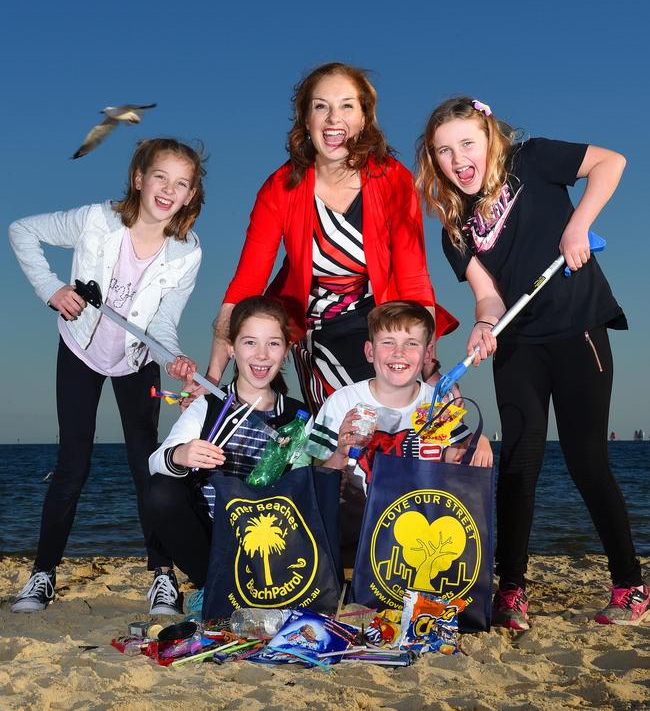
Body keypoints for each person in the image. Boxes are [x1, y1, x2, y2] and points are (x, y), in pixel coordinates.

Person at [415, 95, 648, 629]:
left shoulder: (532, 159)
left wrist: (577, 226)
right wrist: (481, 324)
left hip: (576, 330)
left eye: (467, 143)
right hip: (518, 344)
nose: (458, 159)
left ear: (490, 138)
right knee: (518, 463)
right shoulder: (455, 223)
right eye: (444, 151)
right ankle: (511, 591)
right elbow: (490, 297)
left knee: (586, 459)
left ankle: (630, 587)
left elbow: (611, 162)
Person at [8, 138, 206, 615]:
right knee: (73, 464)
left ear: (189, 196)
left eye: (181, 184)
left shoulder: (187, 252)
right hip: (79, 349)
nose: (168, 190)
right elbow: (21, 230)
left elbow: (161, 323)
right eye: (161, 177)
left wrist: (174, 356)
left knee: (147, 467)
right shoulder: (95, 220)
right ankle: (43, 574)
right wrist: (51, 289)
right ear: (139, 178)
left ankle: (162, 577)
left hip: (137, 361)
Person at [194, 62, 457, 415]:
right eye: (321, 106)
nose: (334, 118)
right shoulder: (279, 188)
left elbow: (413, 278)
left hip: (380, 321)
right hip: (316, 328)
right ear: (306, 119)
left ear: (365, 118)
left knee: (399, 419)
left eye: (347, 105)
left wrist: (428, 363)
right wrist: (211, 375)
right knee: (342, 423)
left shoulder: (394, 180)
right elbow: (246, 284)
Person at [306, 301, 492, 563]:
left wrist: (478, 441)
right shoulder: (342, 402)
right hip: (353, 537)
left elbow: (454, 461)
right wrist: (340, 452)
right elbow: (314, 481)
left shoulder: (436, 403)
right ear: (370, 351)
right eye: (388, 342)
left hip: (417, 538)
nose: (399, 353)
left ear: (428, 355)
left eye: (411, 343)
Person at [147, 296, 309, 596]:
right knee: (161, 490)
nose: (261, 355)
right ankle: (213, 584)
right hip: (213, 538)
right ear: (232, 348)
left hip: (270, 537)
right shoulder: (207, 406)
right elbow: (155, 461)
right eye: (250, 343)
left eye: (273, 344)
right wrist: (183, 454)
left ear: (286, 350)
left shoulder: (298, 416)